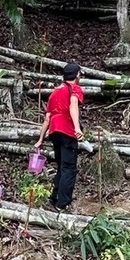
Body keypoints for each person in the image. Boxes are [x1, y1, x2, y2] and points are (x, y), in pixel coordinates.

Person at [35, 62, 85, 211]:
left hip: (54, 132)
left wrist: (40, 139)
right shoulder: (74, 89)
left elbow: (47, 118)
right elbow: (73, 105)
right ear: (77, 75)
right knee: (69, 168)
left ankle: (55, 197)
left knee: (61, 166)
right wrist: (77, 128)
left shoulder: (55, 92)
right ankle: (63, 204)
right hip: (67, 131)